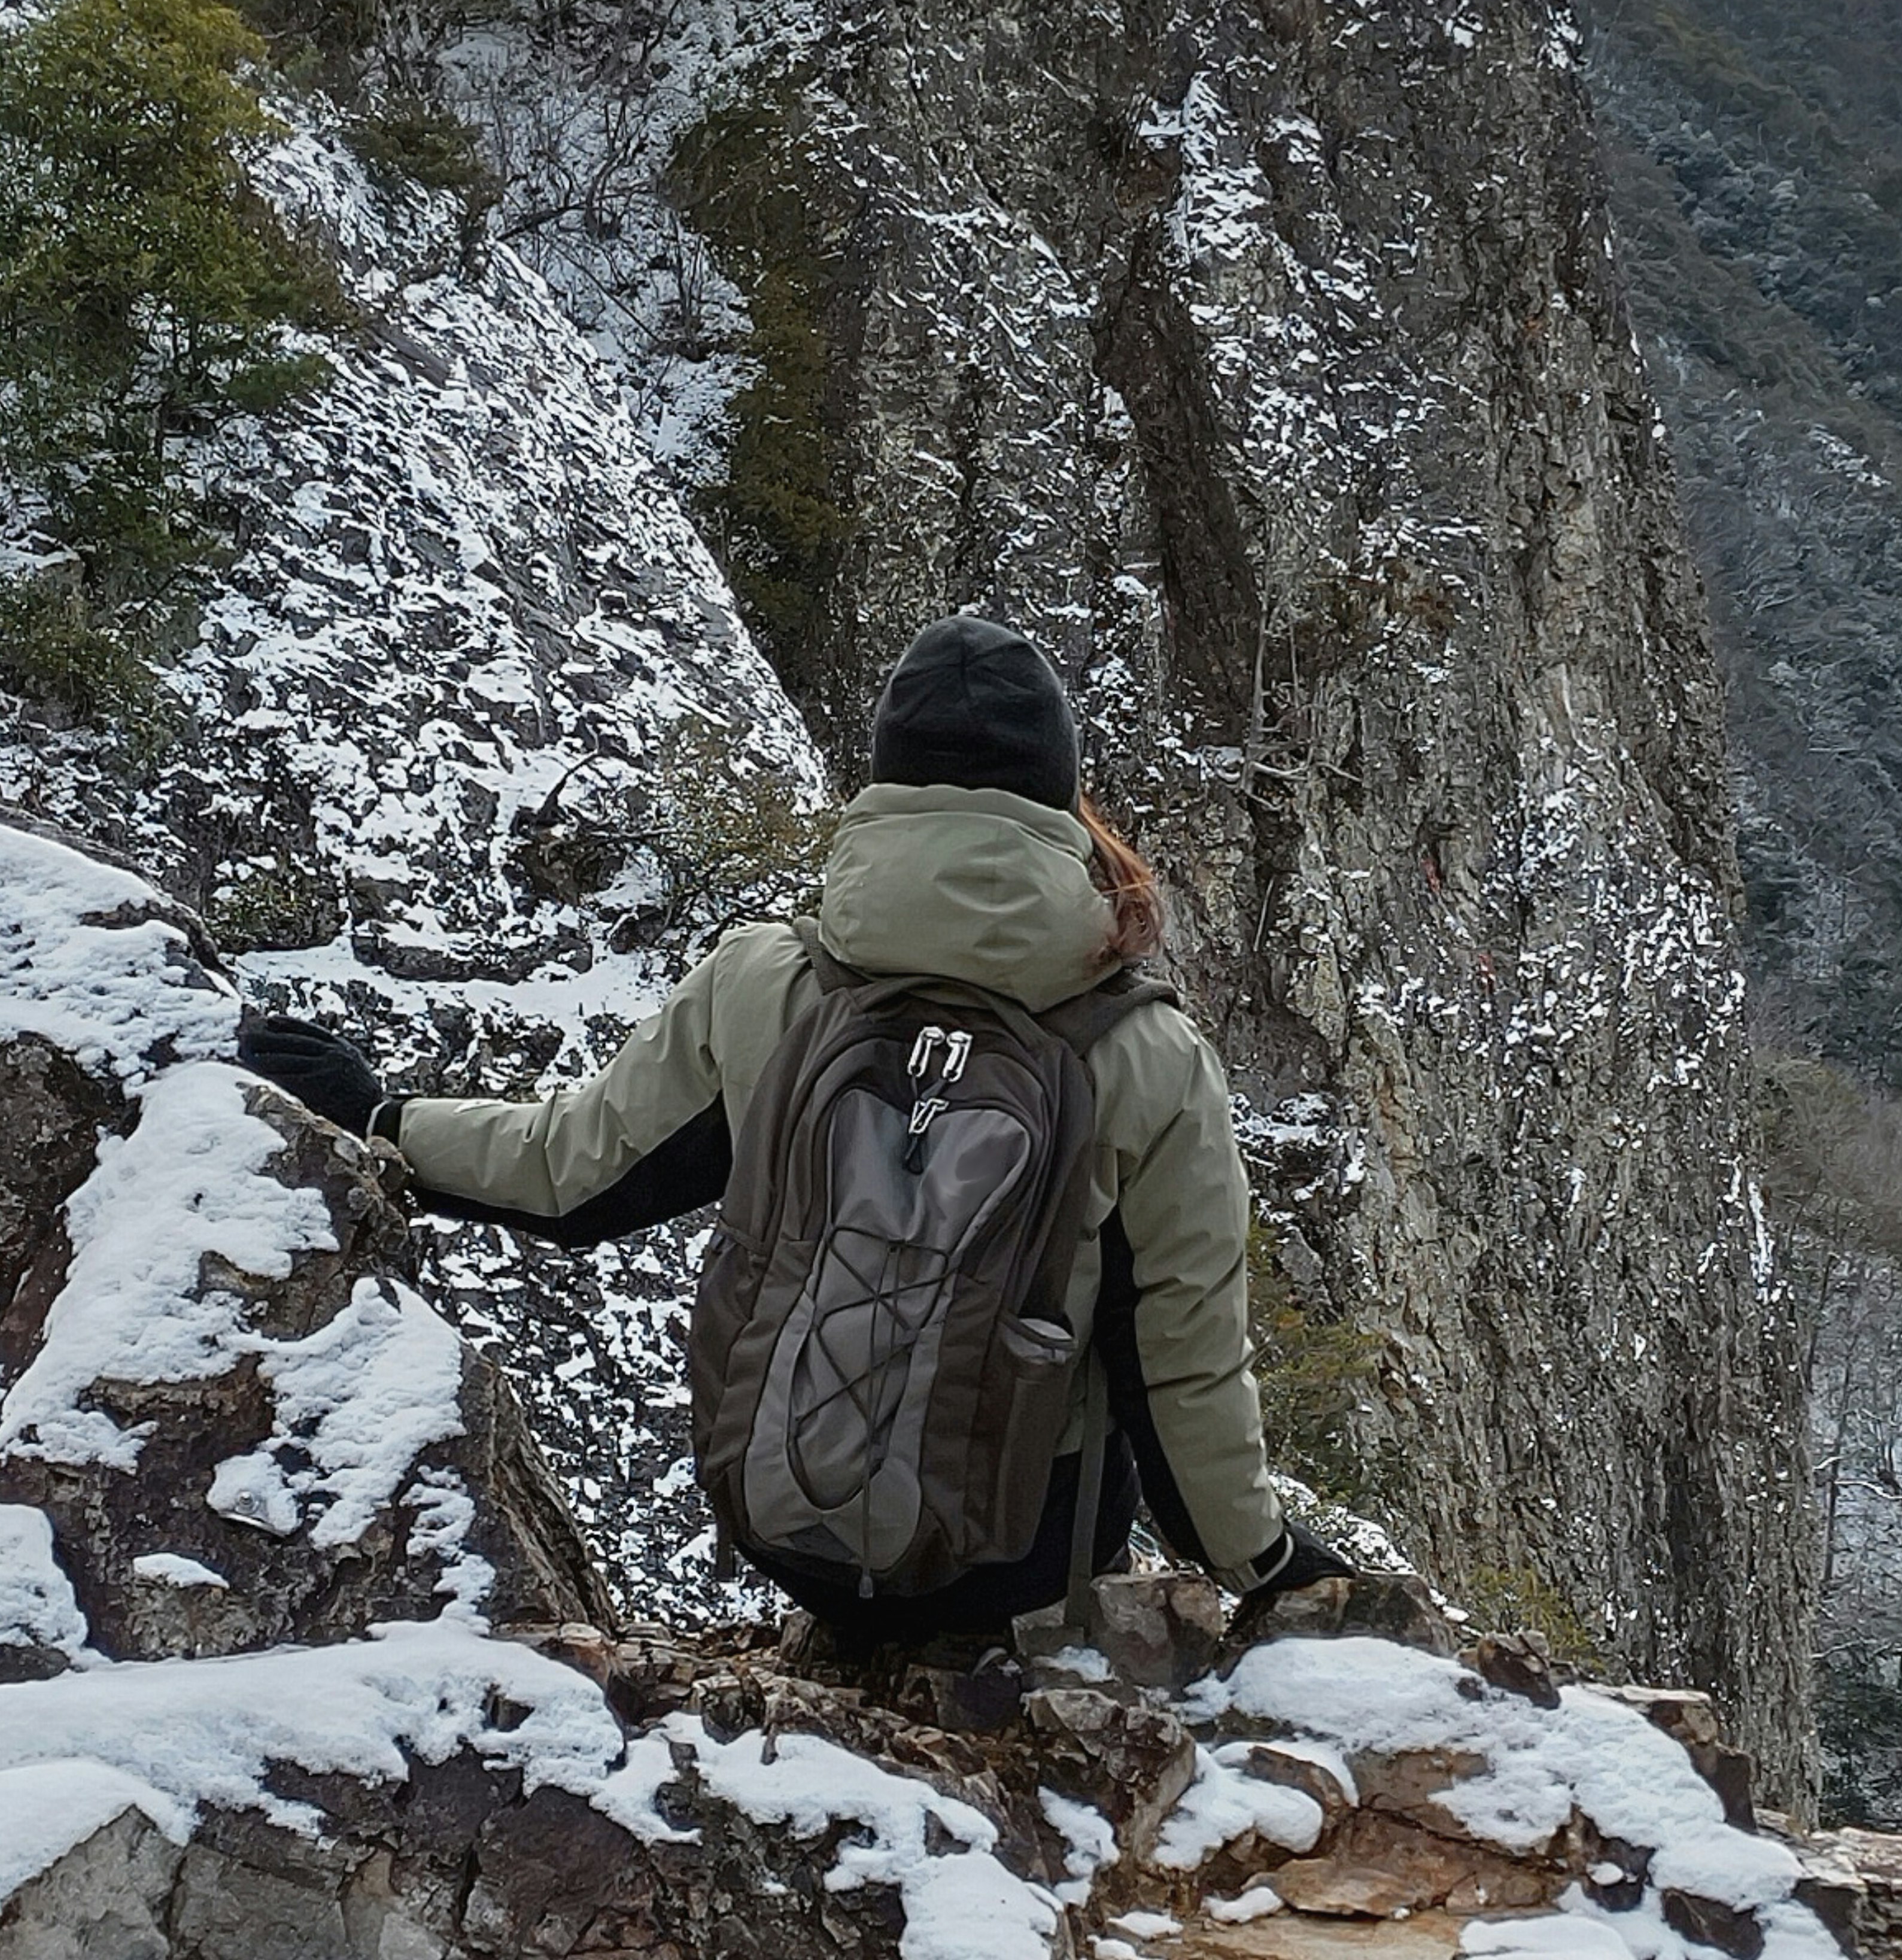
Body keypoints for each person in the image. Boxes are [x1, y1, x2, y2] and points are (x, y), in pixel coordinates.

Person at [241, 611, 1348, 1643]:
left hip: (789, 1528)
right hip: (1020, 1563)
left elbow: (569, 1178)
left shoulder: (768, 980)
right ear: (1060, 799)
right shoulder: (1144, 1055)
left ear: (885, 787)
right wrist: (1271, 1569)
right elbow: (1182, 1368)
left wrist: (381, 1114)